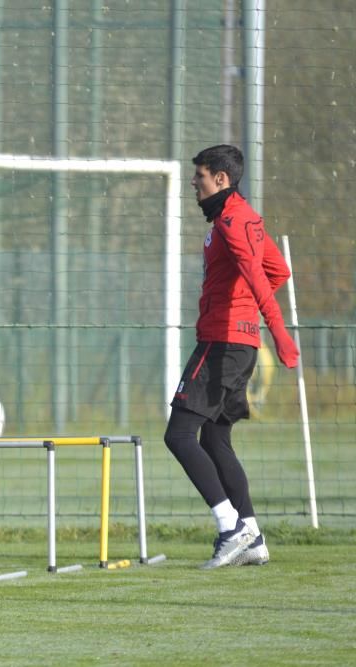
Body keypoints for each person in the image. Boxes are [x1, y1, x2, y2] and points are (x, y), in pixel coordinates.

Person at [165, 145, 298, 569]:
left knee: (179, 435)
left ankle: (230, 527)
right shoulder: (245, 217)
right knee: (216, 438)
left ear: (221, 179)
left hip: (222, 342)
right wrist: (247, 310)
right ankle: (253, 536)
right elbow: (280, 271)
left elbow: (261, 277)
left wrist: (279, 332)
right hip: (240, 345)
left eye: (200, 176)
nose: (193, 183)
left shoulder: (230, 221)